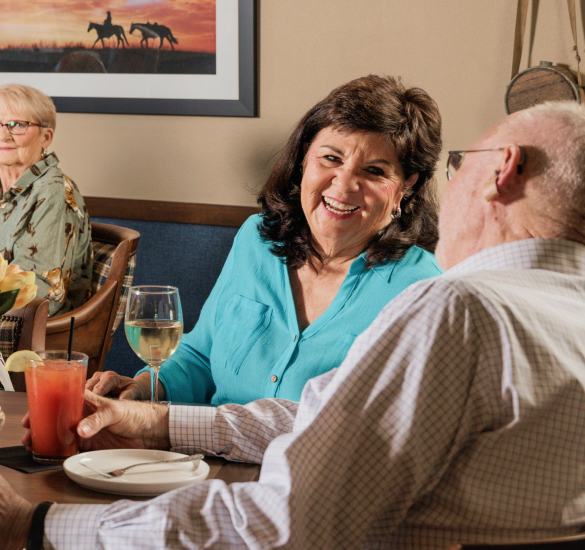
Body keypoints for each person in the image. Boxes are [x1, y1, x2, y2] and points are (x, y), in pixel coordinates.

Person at [0, 101, 585, 549]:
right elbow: (327, 418)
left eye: (460, 165)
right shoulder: (558, 307)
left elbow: (287, 523)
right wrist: (162, 416)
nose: (344, 184)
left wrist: (38, 527)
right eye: (329, 159)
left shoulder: (450, 305)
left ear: (504, 171)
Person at [91, 75, 443, 405]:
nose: (344, 183)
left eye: (375, 171)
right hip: (204, 462)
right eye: (331, 158)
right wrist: (138, 388)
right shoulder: (256, 238)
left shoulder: (422, 289)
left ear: (406, 185)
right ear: (305, 158)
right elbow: (200, 356)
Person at [0, 84, 92, 315]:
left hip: (31, 334)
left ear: (46, 137)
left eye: (18, 125)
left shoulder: (54, 191)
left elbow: (39, 291)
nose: (3, 135)